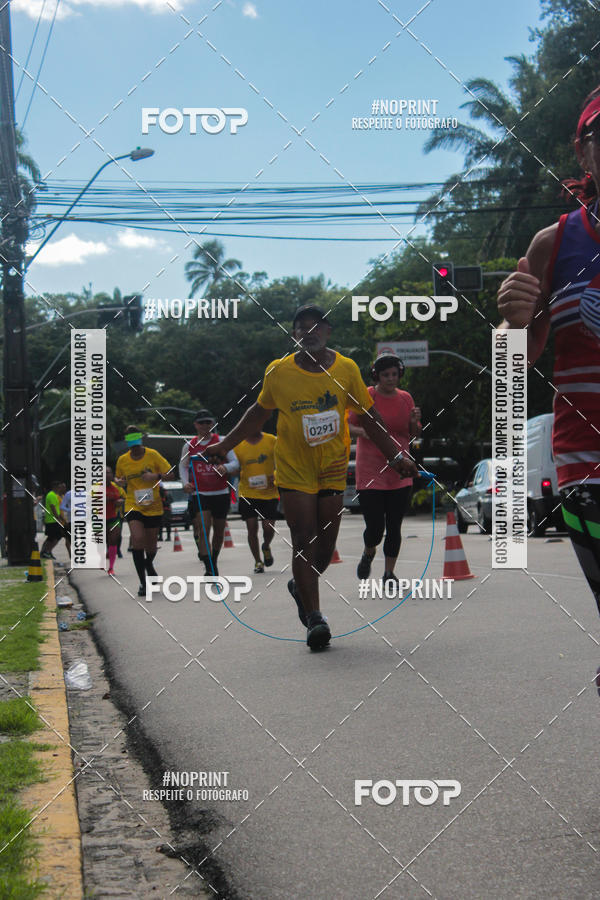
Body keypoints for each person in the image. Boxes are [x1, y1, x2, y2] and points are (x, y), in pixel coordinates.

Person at [208, 304, 418, 651]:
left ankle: (300, 586)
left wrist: (397, 457)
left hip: (332, 468)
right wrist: (224, 445)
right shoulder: (279, 372)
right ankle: (315, 618)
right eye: (301, 327)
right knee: (303, 538)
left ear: (328, 331)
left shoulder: (347, 369)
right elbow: (257, 414)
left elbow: (370, 419)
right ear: (294, 335)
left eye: (316, 325)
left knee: (324, 549)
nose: (310, 331)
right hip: (293, 467)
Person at [497, 86, 600, 693]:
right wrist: (510, 323)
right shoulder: (554, 242)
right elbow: (513, 372)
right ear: (585, 155)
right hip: (586, 465)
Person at [348, 353, 421, 585]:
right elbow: (349, 425)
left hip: (401, 468)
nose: (390, 379)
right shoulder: (367, 395)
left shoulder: (406, 398)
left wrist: (414, 422)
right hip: (371, 469)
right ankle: (369, 551)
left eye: (394, 374)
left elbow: (413, 434)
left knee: (394, 526)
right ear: (376, 376)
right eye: (385, 375)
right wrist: (366, 432)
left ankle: (389, 573)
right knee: (375, 527)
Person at [179, 410, 239, 576]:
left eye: (208, 422)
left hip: (221, 492)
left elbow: (236, 463)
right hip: (201, 493)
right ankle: (209, 567)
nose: (205, 425)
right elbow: (182, 466)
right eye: (201, 422)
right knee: (204, 529)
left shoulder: (221, 441)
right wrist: (185, 483)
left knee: (219, 531)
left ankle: (213, 560)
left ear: (212, 424)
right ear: (195, 425)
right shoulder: (189, 445)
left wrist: (225, 467)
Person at [115, 427, 171, 596]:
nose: (135, 449)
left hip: (153, 506)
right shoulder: (122, 460)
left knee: (151, 545)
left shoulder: (152, 455)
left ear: (140, 440)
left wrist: (155, 476)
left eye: (136, 444)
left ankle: (149, 564)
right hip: (133, 504)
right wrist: (120, 482)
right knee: (137, 539)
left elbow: (171, 474)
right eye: (131, 445)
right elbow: (119, 478)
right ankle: (143, 582)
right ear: (127, 443)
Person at [234, 429, 278, 573]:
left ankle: (266, 545)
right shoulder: (238, 444)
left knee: (268, 527)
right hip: (248, 492)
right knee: (252, 528)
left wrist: (276, 475)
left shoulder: (272, 440)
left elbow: (284, 460)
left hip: (269, 493)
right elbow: (233, 466)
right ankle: (258, 561)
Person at [105, 467, 125, 576]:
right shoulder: (95, 488)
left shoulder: (117, 487)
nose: (107, 475)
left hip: (114, 517)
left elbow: (123, 498)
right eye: (105, 473)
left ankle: (111, 568)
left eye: (109, 472)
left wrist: (119, 501)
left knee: (113, 540)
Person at [41, 481, 69, 559]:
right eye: (60, 487)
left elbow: (57, 508)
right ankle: (47, 551)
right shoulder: (52, 495)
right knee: (56, 537)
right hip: (52, 520)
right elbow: (53, 508)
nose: (61, 489)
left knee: (51, 537)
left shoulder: (54, 495)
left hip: (53, 520)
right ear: (56, 487)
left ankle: (45, 551)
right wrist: (58, 519)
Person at [59, 484, 72, 558]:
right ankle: (71, 553)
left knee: (68, 539)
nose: (64, 488)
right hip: (63, 521)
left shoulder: (64, 496)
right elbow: (59, 509)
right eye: (62, 487)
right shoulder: (57, 496)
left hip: (67, 520)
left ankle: (71, 554)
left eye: (65, 487)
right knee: (68, 539)